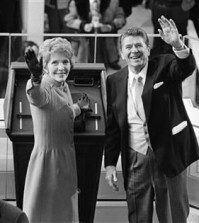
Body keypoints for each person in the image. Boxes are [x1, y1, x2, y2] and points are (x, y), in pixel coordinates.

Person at [104, 15, 199, 223]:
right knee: (138, 214)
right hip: (135, 157)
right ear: (121, 53)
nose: (134, 51)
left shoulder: (164, 66)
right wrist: (110, 164)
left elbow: (185, 68)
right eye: (128, 47)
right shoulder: (114, 81)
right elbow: (112, 127)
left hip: (169, 153)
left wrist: (177, 44)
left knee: (174, 214)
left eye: (139, 45)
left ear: (148, 49)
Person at [23, 37, 89, 223]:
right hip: (47, 164)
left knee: (63, 212)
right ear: (44, 66)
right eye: (55, 62)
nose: (61, 67)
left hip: (65, 160)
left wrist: (78, 107)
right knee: (46, 213)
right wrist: (35, 77)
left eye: (65, 62)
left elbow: (62, 111)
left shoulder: (63, 85)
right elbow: (36, 97)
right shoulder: (42, 84)